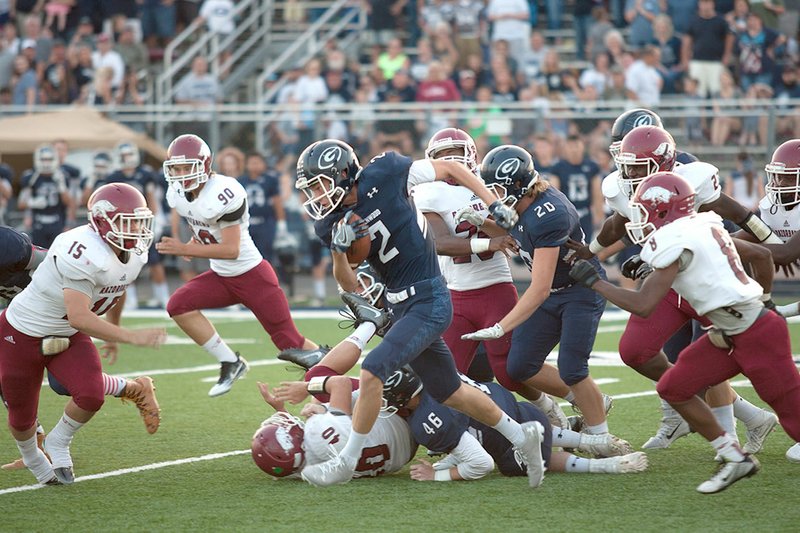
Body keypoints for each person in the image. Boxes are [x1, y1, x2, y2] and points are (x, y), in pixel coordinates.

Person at [293, 138, 547, 488]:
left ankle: (345, 464)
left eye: (320, 185)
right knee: (451, 391)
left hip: (429, 296)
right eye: (311, 189)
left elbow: (451, 167)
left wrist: (492, 202)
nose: (317, 196)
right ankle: (522, 437)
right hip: (401, 305)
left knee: (372, 370)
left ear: (343, 175)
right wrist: (338, 253)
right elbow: (349, 284)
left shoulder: (384, 172)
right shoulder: (330, 223)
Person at [569, 171, 800, 493]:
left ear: (664, 211)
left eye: (645, 211)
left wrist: (596, 282)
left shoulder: (674, 239)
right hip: (729, 331)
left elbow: (644, 304)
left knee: (793, 415)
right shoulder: (704, 224)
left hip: (755, 333)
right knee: (673, 387)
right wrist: (764, 299)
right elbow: (760, 256)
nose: (640, 219)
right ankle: (735, 457)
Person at [570, 125, 780, 451]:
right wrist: (592, 251)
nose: (627, 174)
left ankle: (729, 440)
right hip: (667, 279)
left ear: (662, 163)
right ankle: (732, 413)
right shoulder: (622, 188)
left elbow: (736, 212)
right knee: (636, 351)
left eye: (637, 167)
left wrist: (773, 240)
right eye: (625, 165)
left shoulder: (692, 180)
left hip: (705, 281)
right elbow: (619, 224)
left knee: (715, 359)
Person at [0, 184, 167, 485]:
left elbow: (114, 290)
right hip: (22, 331)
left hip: (68, 329)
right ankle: (33, 456)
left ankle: (59, 441)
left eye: (139, 221)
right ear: (103, 222)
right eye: (128, 222)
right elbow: (80, 314)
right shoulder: (81, 249)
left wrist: (114, 334)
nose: (137, 230)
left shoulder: (133, 254)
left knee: (89, 394)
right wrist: (130, 335)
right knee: (21, 414)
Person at [411, 128, 574, 428]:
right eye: (443, 158)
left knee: (510, 371)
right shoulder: (428, 191)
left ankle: (556, 406)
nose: (451, 163)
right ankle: (461, 435)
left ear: (471, 157)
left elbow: (513, 234)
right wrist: (489, 241)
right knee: (448, 373)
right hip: (455, 294)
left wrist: (491, 227)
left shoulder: (490, 186)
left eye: (456, 156)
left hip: (495, 287)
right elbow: (441, 242)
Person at [460, 145, 616, 440]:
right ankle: (588, 399)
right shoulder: (523, 203)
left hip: (579, 290)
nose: (493, 196)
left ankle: (602, 438)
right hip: (555, 290)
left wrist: (500, 327)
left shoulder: (548, 213)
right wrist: (485, 224)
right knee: (518, 365)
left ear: (519, 185)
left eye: (497, 188)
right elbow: (516, 234)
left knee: (573, 368)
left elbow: (540, 287)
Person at [156, 134, 321, 397]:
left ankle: (336, 382)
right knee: (178, 305)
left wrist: (186, 249)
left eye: (188, 167)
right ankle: (230, 361)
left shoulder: (224, 191)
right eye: (176, 168)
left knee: (290, 345)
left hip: (252, 276)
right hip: (222, 277)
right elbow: (198, 220)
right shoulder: (178, 192)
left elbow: (231, 250)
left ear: (205, 165)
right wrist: (193, 240)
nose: (182, 174)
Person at [391, 372, 647, 482]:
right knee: (526, 426)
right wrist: (444, 462)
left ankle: (607, 465)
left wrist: (437, 475)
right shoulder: (435, 376)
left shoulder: (427, 419)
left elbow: (481, 464)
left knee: (523, 455)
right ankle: (596, 442)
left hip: (504, 442)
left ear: (403, 396)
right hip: (510, 407)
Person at [252, 371, 416, 480]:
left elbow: (291, 451)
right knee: (319, 375)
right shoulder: (324, 432)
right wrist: (307, 388)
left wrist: (280, 409)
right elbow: (341, 383)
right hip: (401, 420)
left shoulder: (300, 469)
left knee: (323, 406)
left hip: (402, 454)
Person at [236, 152, 289, 263]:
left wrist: (281, 224)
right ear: (246, 165)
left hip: (265, 223)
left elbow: (277, 202)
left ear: (264, 164)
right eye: (252, 163)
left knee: (265, 258)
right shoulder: (240, 181)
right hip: (246, 224)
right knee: (245, 258)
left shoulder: (270, 179)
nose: (255, 166)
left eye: (257, 162)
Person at [17, 144, 73, 248]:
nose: (46, 163)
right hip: (38, 223)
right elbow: (20, 204)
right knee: (39, 253)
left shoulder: (62, 176)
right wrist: (32, 202)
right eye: (43, 159)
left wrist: (62, 187)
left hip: (57, 222)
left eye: (49, 159)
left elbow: (69, 203)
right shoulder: (31, 177)